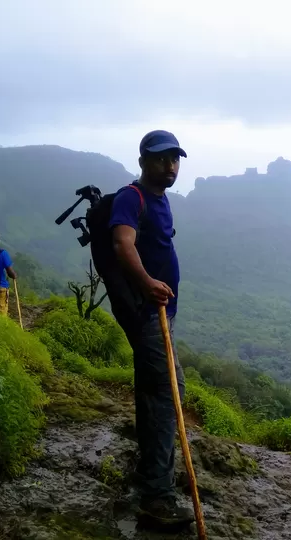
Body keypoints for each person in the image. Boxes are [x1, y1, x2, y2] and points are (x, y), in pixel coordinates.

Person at [108, 130, 193, 528]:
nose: (170, 165)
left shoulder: (160, 199)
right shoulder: (132, 196)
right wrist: (147, 283)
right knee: (164, 397)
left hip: (161, 313)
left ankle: (149, 471)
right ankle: (157, 498)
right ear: (143, 160)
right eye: (162, 158)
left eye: (175, 158)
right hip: (147, 313)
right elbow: (123, 244)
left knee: (159, 390)